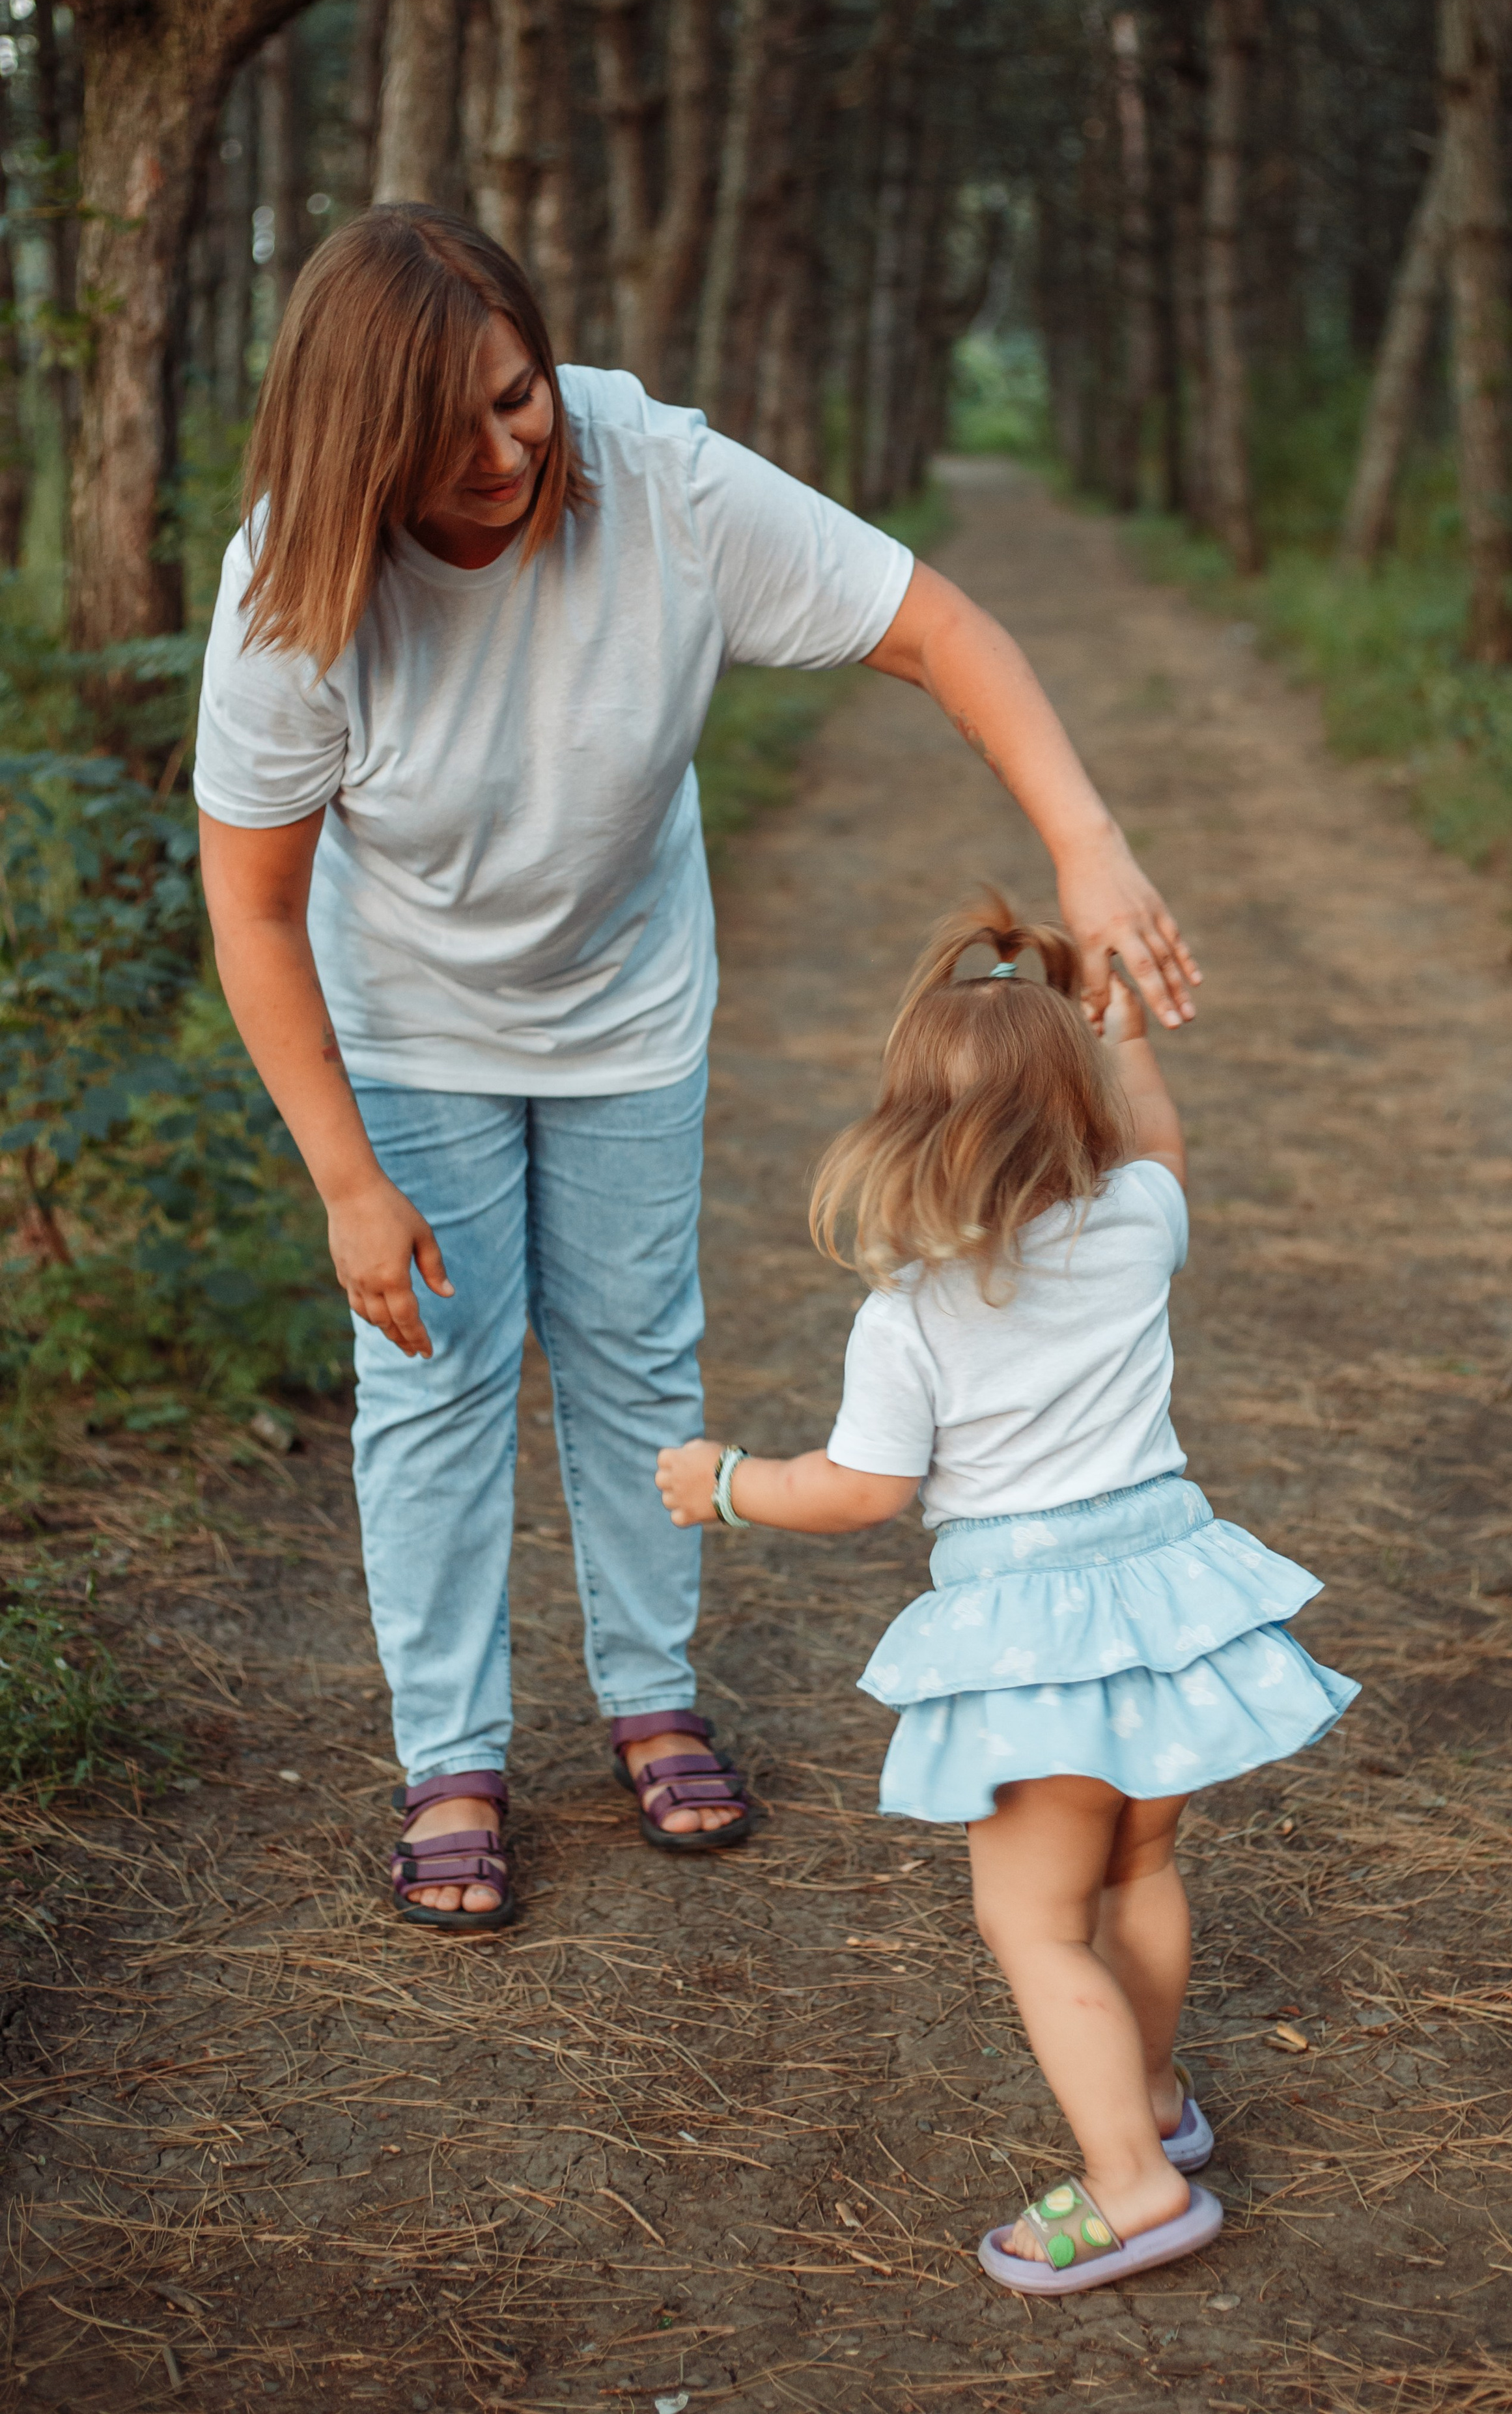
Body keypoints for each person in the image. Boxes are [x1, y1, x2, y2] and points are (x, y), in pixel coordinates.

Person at [193, 203, 1201, 1931]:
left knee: (632, 1354)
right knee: (434, 1386)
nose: (508, 449)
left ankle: (650, 1691)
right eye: (451, 434)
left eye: (520, 396)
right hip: (410, 1024)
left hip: (625, 1008)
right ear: (364, 450)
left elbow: (942, 630)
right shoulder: (295, 590)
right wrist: (347, 1176)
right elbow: (259, 907)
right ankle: (451, 1753)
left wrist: (1089, 842)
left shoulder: (661, 482)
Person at [656, 891, 1358, 2292]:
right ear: (1075, 1102)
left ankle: (1130, 2182)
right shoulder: (1132, 1223)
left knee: (1031, 1923)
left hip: (1040, 1650)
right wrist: (1126, 1032)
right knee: (1142, 1865)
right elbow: (1159, 1140)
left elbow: (859, 1491)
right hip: (1167, 1607)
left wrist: (725, 1480)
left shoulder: (910, 1311)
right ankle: (1151, 2098)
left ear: (913, 1123)